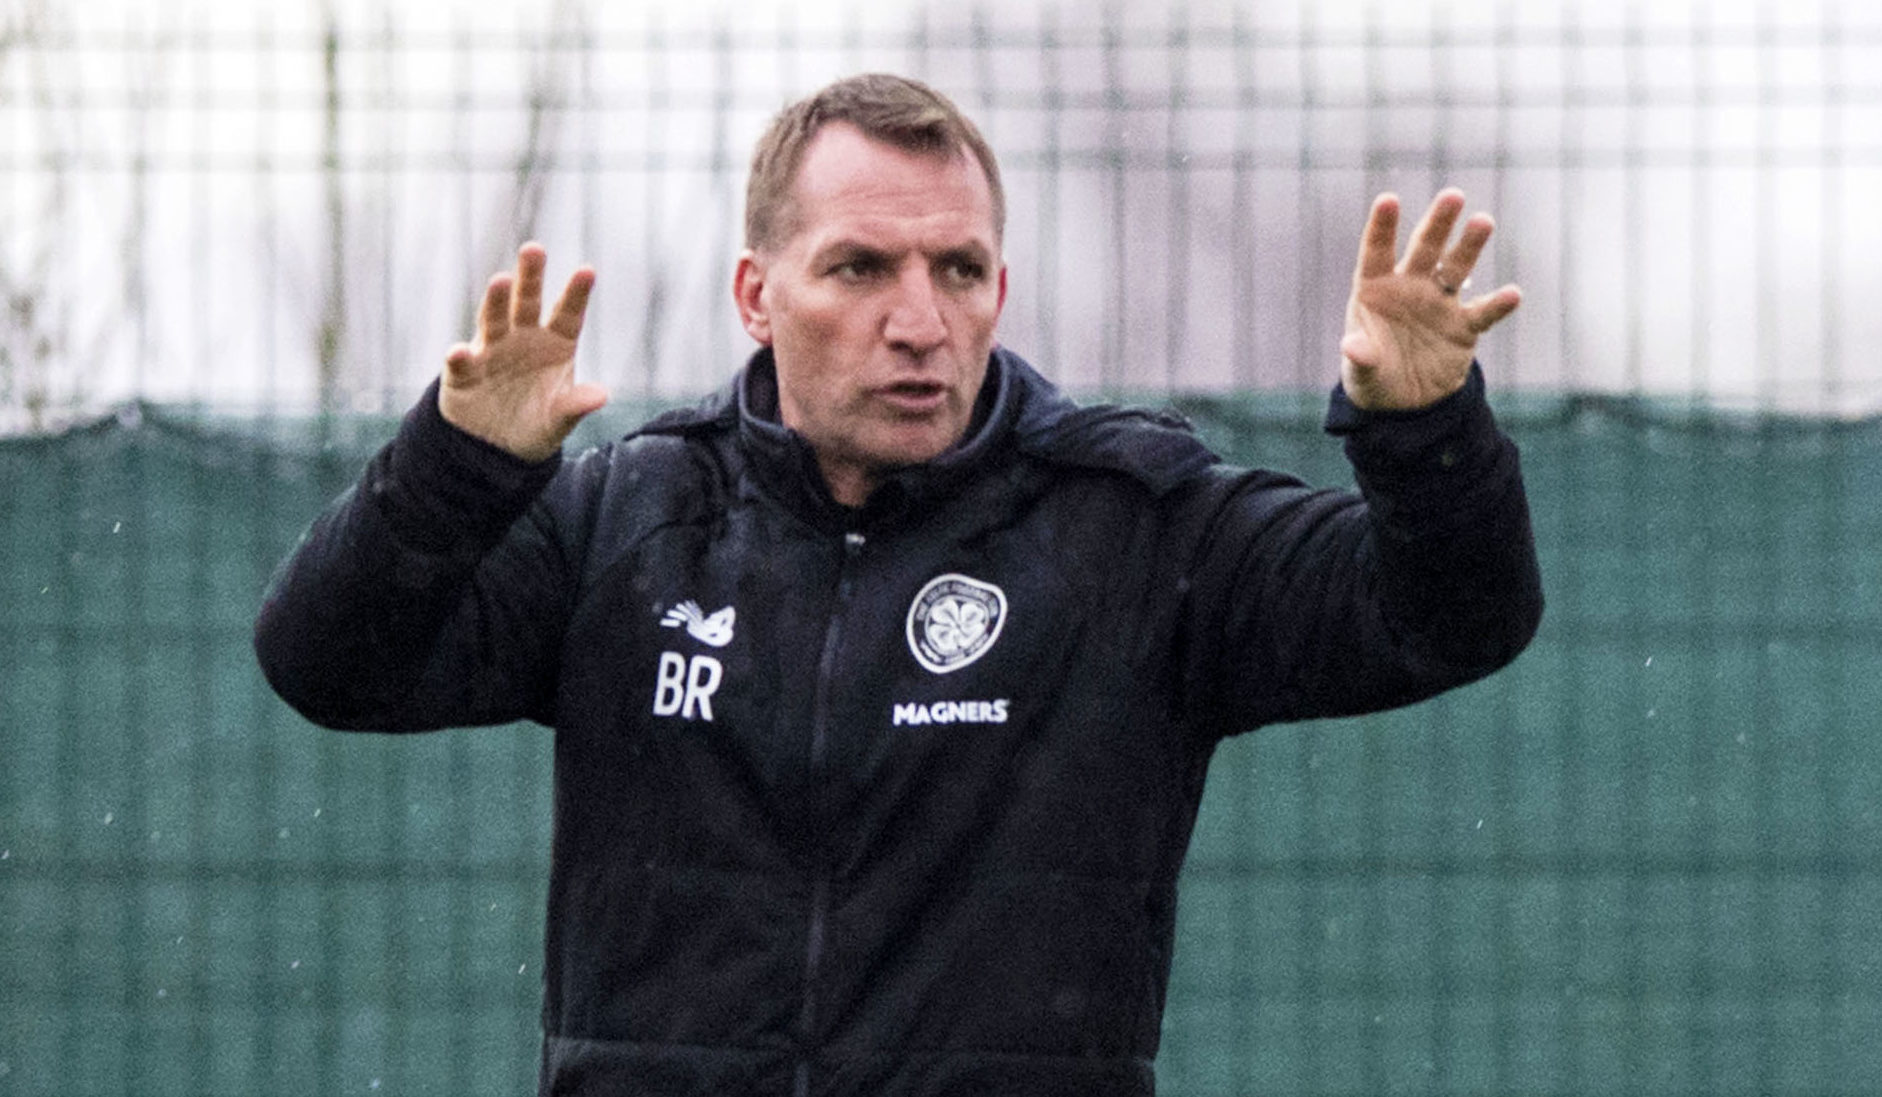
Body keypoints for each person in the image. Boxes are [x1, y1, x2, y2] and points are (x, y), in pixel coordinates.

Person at [255, 72, 1542, 1097]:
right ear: (759, 295)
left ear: (1000, 290)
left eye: (958, 270)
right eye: (861, 268)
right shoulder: (629, 524)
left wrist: (1422, 428)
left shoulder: (1138, 530)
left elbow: (1452, 616)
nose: (919, 319)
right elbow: (326, 663)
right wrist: (457, 465)